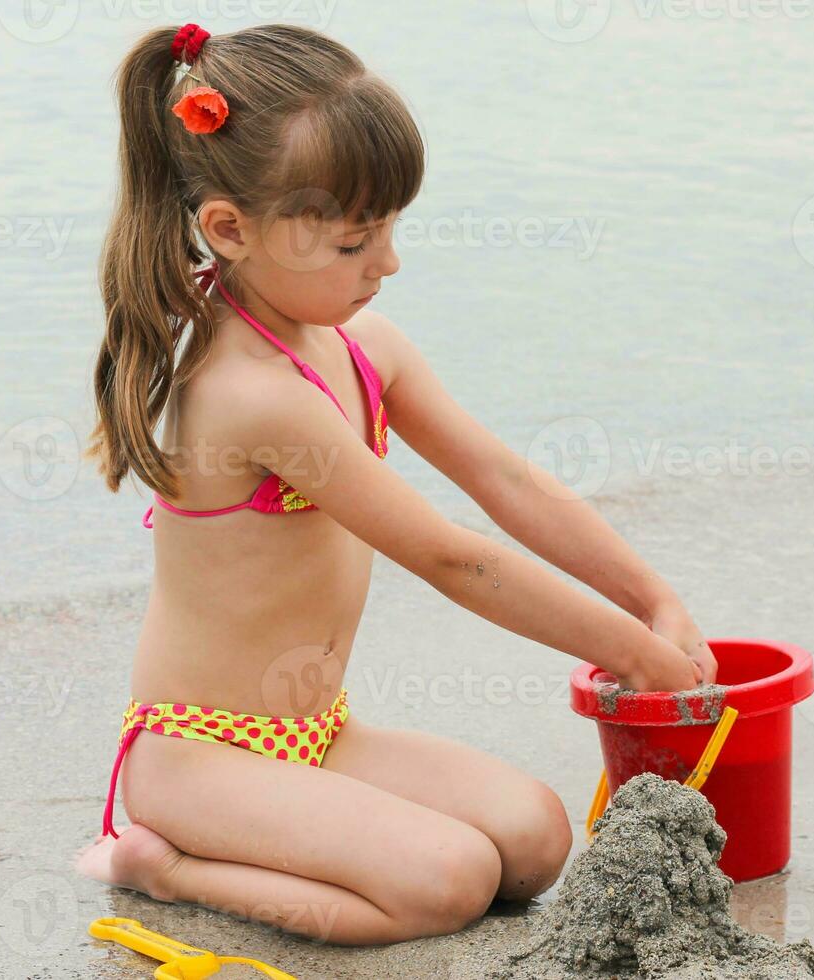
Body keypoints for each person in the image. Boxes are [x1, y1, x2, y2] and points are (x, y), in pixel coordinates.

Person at [74, 21, 719, 947]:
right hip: (199, 758)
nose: (388, 264)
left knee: (536, 840)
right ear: (229, 228)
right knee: (446, 883)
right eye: (352, 243)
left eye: (389, 230)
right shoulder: (249, 395)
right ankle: (164, 864)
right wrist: (633, 655)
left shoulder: (361, 347)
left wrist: (653, 601)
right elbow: (450, 557)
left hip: (318, 736)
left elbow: (505, 480)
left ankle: (305, 834)